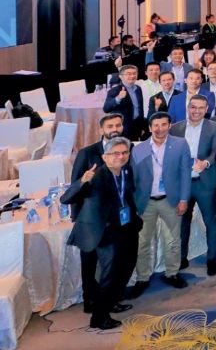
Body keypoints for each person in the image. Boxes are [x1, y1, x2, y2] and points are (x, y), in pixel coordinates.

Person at [62, 137, 141, 330]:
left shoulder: (126, 171)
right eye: (115, 153)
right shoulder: (96, 176)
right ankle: (99, 317)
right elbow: (66, 198)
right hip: (102, 232)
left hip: (124, 227)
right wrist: (82, 181)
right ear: (105, 157)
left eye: (124, 153)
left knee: (126, 267)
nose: (120, 157)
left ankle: (112, 302)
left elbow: (126, 196)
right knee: (109, 275)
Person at [127, 112, 192, 297]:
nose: (159, 129)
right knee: (143, 242)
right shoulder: (139, 149)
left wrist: (184, 199)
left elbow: (185, 173)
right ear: (150, 128)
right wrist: (134, 204)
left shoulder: (180, 144)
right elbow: (134, 179)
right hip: (145, 202)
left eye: (164, 124)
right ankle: (142, 278)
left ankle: (172, 273)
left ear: (169, 125)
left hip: (170, 200)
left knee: (172, 240)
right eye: (155, 125)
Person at [171, 96, 216, 276]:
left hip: (205, 182)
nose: (196, 111)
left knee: (210, 220)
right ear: (188, 107)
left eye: (201, 108)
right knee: (183, 221)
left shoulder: (214, 127)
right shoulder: (175, 128)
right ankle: (182, 257)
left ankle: (212, 258)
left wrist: (205, 163)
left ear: (206, 109)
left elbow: (215, 152)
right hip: (182, 184)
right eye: (193, 107)